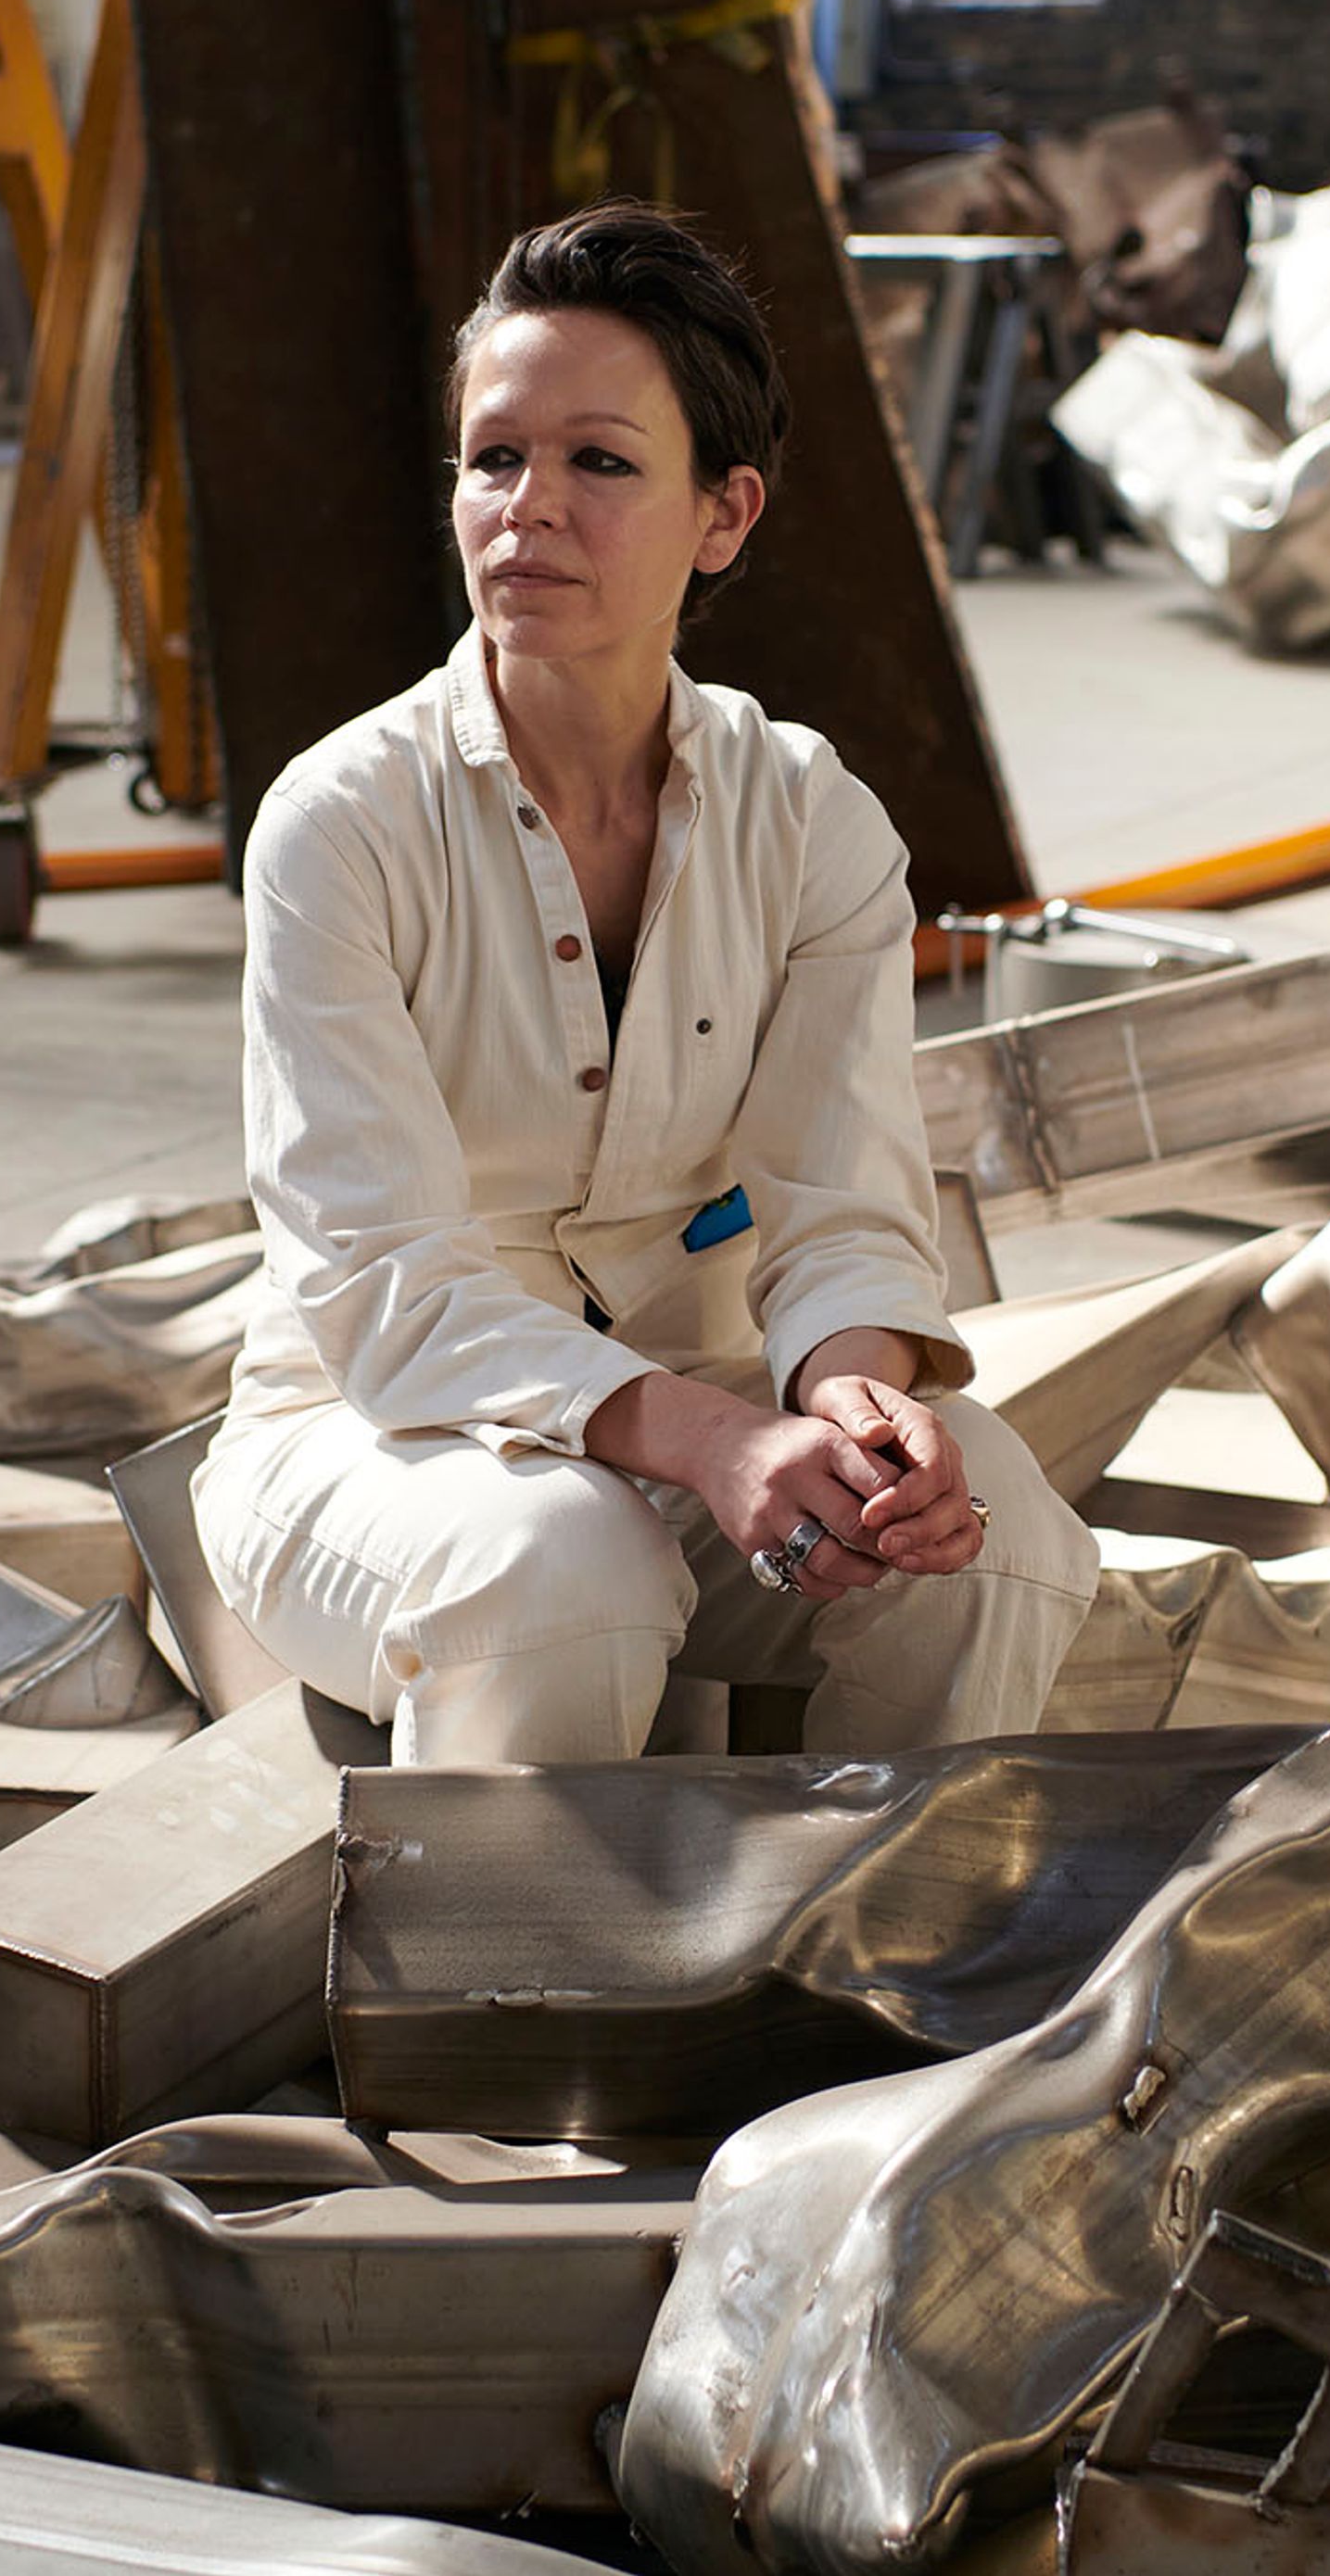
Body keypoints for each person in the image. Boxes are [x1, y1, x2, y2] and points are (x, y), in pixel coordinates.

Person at [192, 201, 1104, 1764]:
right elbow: (384, 1289)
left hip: (700, 1437)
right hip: (374, 1448)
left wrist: (855, 1416)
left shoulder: (810, 818)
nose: (526, 508)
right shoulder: (339, 823)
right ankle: (512, 2001)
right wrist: (719, 1439)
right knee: (560, 1573)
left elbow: (842, 1210)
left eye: (599, 463)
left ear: (723, 515)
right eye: (494, 459)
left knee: (992, 1541)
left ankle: (873, 1970)